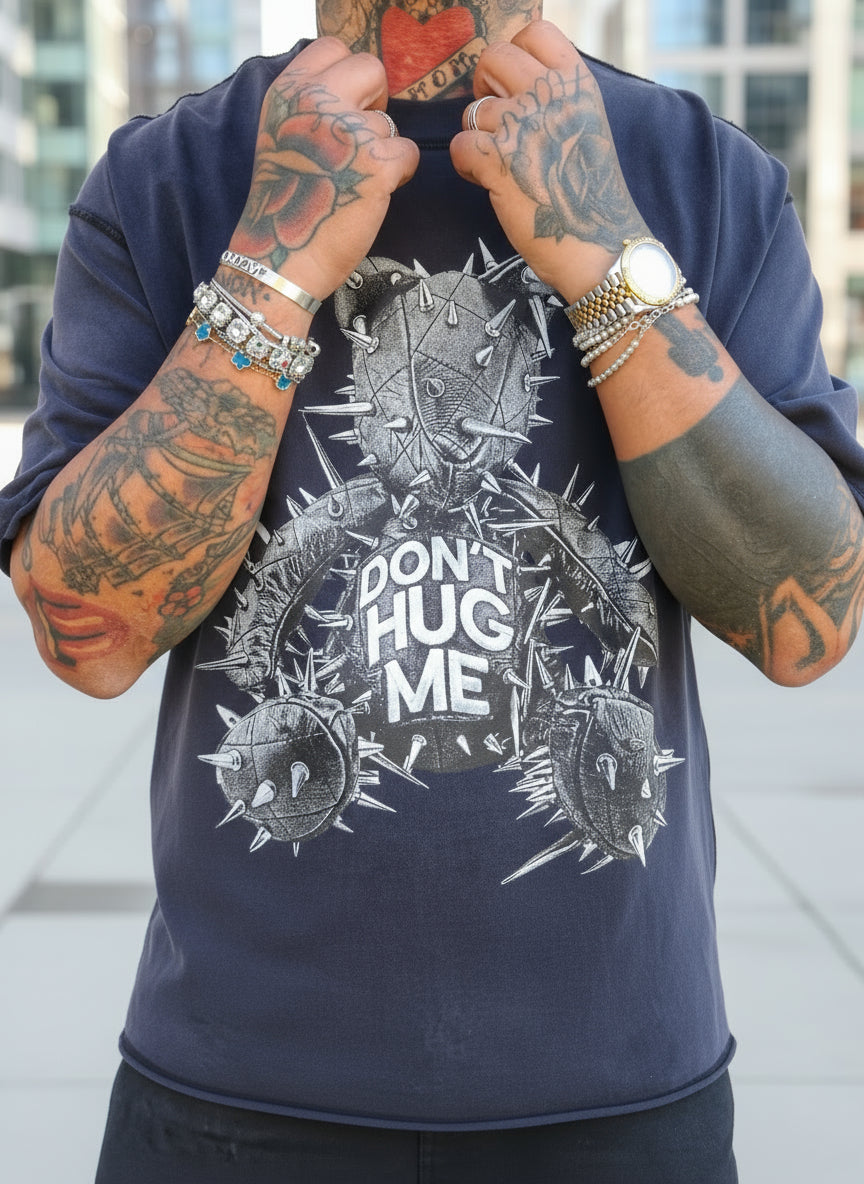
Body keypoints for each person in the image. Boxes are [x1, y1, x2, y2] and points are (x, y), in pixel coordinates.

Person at [2, 2, 864, 1180]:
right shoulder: (170, 178)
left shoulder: (697, 170)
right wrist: (270, 270)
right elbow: (86, 632)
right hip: (235, 1087)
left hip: (614, 1085)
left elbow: (809, 616)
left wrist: (611, 260)